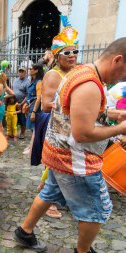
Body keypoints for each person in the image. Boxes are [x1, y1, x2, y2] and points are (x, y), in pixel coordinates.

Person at [13, 37, 126, 253]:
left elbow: (75, 110)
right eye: (124, 72)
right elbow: (83, 133)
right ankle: (82, 251)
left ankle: (24, 231)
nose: (122, 78)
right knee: (99, 209)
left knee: (49, 193)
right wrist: (121, 128)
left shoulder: (79, 72)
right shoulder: (90, 84)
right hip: (75, 160)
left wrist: (114, 113)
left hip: (59, 152)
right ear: (117, 60)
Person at [32, 21, 80, 219]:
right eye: (67, 53)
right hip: (54, 124)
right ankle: (47, 200)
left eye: (74, 51)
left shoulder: (75, 72)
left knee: (61, 164)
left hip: (69, 125)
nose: (72, 56)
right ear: (58, 55)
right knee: (52, 163)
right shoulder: (53, 75)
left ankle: (53, 196)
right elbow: (45, 105)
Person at [22, 64, 44, 155]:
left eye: (31, 69)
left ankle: (33, 148)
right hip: (31, 107)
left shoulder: (39, 82)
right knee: (32, 129)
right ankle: (32, 145)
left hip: (36, 108)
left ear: (36, 70)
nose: (29, 70)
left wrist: (34, 112)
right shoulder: (32, 81)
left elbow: (39, 98)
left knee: (36, 129)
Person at [12, 67, 29, 139]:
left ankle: (22, 133)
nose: (21, 73)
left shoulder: (27, 82)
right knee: (14, 118)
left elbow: (28, 95)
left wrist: (21, 103)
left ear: (25, 73)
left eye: (23, 72)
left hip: (22, 103)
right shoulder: (15, 80)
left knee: (22, 119)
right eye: (20, 71)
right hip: (14, 103)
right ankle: (13, 132)